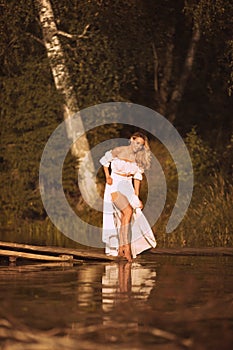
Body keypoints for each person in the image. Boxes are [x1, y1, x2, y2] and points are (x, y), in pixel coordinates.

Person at [100, 132, 156, 261]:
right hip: (114, 185)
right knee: (128, 211)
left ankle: (121, 248)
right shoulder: (119, 150)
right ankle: (127, 248)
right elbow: (104, 161)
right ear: (131, 140)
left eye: (141, 145)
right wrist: (107, 176)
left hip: (128, 187)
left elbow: (137, 177)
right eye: (137, 143)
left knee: (126, 217)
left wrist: (136, 195)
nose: (138, 146)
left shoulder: (139, 158)